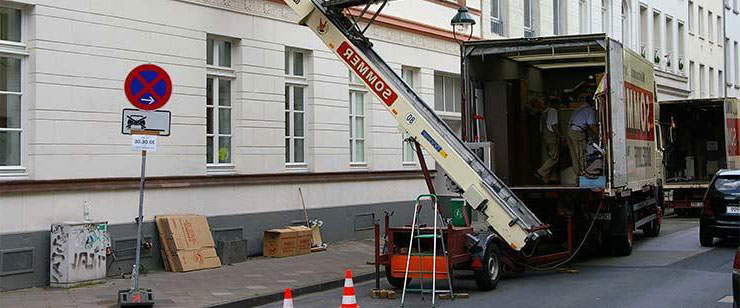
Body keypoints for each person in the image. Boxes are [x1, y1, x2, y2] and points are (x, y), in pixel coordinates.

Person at [567, 95, 598, 177]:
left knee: (574, 154)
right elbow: (591, 125)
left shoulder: (578, 108)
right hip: (577, 132)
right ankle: (584, 173)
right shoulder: (589, 110)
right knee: (582, 153)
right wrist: (599, 135)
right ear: (592, 102)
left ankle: (578, 173)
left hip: (570, 131)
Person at [535, 98, 560, 184]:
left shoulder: (544, 112)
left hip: (544, 136)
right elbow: (554, 125)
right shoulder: (553, 111)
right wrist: (560, 135)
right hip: (550, 136)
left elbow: (541, 128)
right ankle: (541, 172)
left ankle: (546, 179)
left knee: (546, 158)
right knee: (554, 157)